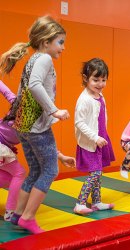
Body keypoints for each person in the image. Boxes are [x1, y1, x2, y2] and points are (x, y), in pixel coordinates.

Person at [0, 15, 70, 234]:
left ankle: (18, 214)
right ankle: (28, 217)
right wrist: (54, 110)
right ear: (46, 42)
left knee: (35, 170)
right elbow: (34, 85)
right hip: (36, 126)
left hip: (23, 126)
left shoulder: (33, 59)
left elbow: (22, 92)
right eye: (60, 42)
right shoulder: (44, 59)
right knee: (50, 170)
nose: (63, 47)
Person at [0, 80, 75, 222]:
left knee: (12, 178)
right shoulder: (30, 120)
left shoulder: (19, 104)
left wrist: (61, 156)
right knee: (20, 173)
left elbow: (43, 145)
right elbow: (43, 144)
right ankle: (10, 212)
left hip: (4, 147)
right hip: (1, 146)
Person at [74, 58, 115, 215]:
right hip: (90, 142)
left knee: (99, 171)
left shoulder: (100, 95)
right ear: (86, 79)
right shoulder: (84, 99)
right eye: (95, 80)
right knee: (95, 172)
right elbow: (79, 122)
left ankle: (96, 202)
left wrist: (102, 134)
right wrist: (95, 137)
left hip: (100, 138)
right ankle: (80, 203)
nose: (100, 83)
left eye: (103, 80)